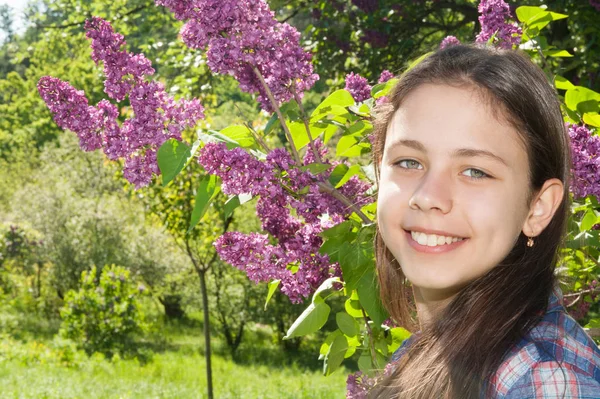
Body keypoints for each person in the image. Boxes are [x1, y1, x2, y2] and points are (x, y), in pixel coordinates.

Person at [368, 44, 600, 398]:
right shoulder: (433, 352)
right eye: (408, 162)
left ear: (537, 207)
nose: (429, 196)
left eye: (475, 171)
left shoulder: (545, 383)